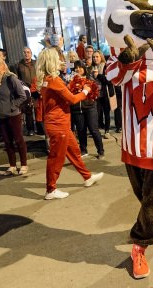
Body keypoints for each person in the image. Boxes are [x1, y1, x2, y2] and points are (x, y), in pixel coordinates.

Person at [36, 48, 104, 200]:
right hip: (58, 124)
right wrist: (86, 91)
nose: (61, 60)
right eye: (58, 58)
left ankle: (87, 177)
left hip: (60, 123)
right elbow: (72, 99)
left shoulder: (48, 79)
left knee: (74, 151)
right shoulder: (54, 80)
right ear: (52, 61)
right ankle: (51, 189)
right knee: (56, 158)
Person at [0, 57, 28, 175]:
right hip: (1, 116)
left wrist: (12, 106)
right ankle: (12, 165)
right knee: (7, 142)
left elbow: (22, 96)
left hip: (13, 115)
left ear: (1, 67)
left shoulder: (11, 79)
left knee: (18, 140)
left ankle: (23, 164)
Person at [70, 60, 104, 158]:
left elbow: (97, 90)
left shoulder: (90, 79)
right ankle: (83, 150)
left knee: (94, 130)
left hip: (90, 108)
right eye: (76, 68)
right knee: (81, 130)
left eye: (80, 67)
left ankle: (100, 151)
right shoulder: (71, 81)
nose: (78, 69)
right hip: (77, 108)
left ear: (84, 68)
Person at [91, 50, 113, 139]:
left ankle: (107, 131)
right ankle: (99, 128)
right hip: (96, 94)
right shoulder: (92, 67)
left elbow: (109, 81)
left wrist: (98, 76)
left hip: (105, 93)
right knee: (97, 113)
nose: (95, 58)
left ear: (101, 57)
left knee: (106, 113)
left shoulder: (106, 67)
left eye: (97, 57)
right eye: (94, 57)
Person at [15, 47, 36, 135]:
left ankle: (40, 128)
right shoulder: (19, 64)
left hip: (36, 88)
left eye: (28, 52)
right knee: (28, 110)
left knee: (38, 108)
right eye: (25, 52)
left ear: (31, 53)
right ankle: (30, 129)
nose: (26, 54)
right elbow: (17, 78)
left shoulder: (36, 63)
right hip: (25, 90)